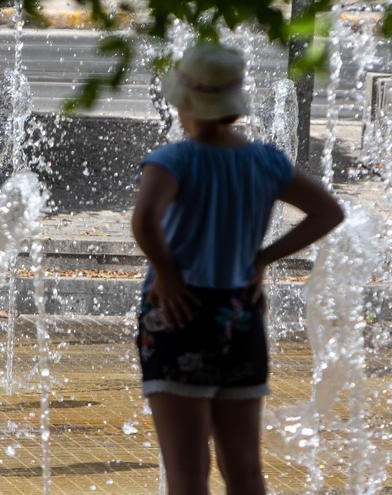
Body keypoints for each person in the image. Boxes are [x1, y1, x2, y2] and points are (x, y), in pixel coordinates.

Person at [131, 44, 344, 495]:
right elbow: (328, 212)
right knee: (245, 469)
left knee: (188, 472)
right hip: (240, 312)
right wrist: (261, 259)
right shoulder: (266, 161)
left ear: (183, 102)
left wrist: (167, 273)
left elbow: (145, 219)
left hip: (178, 312)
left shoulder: (172, 160)